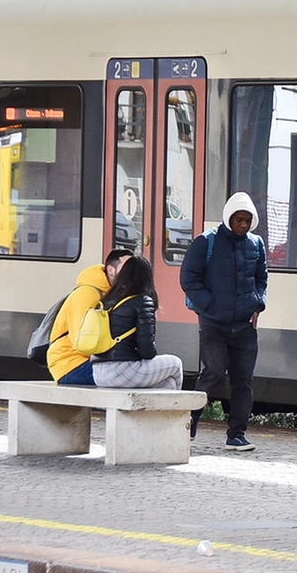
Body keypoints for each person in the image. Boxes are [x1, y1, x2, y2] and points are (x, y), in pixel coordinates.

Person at [181, 192, 268, 452]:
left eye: (247, 220)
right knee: (214, 373)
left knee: (243, 380)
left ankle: (236, 434)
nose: (243, 225)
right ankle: (191, 418)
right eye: (239, 220)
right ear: (228, 217)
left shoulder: (256, 244)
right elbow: (188, 278)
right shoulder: (205, 242)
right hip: (213, 324)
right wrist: (209, 305)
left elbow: (261, 278)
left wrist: (258, 304)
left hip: (244, 325)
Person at [90, 255, 184, 390]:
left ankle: (154, 410)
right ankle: (176, 410)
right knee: (175, 364)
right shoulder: (143, 302)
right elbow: (147, 351)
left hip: (99, 373)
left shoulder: (107, 300)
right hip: (123, 371)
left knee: (169, 383)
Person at [47, 248, 133, 386]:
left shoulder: (110, 294)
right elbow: (81, 343)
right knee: (135, 376)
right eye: (127, 267)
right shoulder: (86, 295)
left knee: (147, 375)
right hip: (71, 364)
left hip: (86, 362)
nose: (132, 272)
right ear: (111, 270)